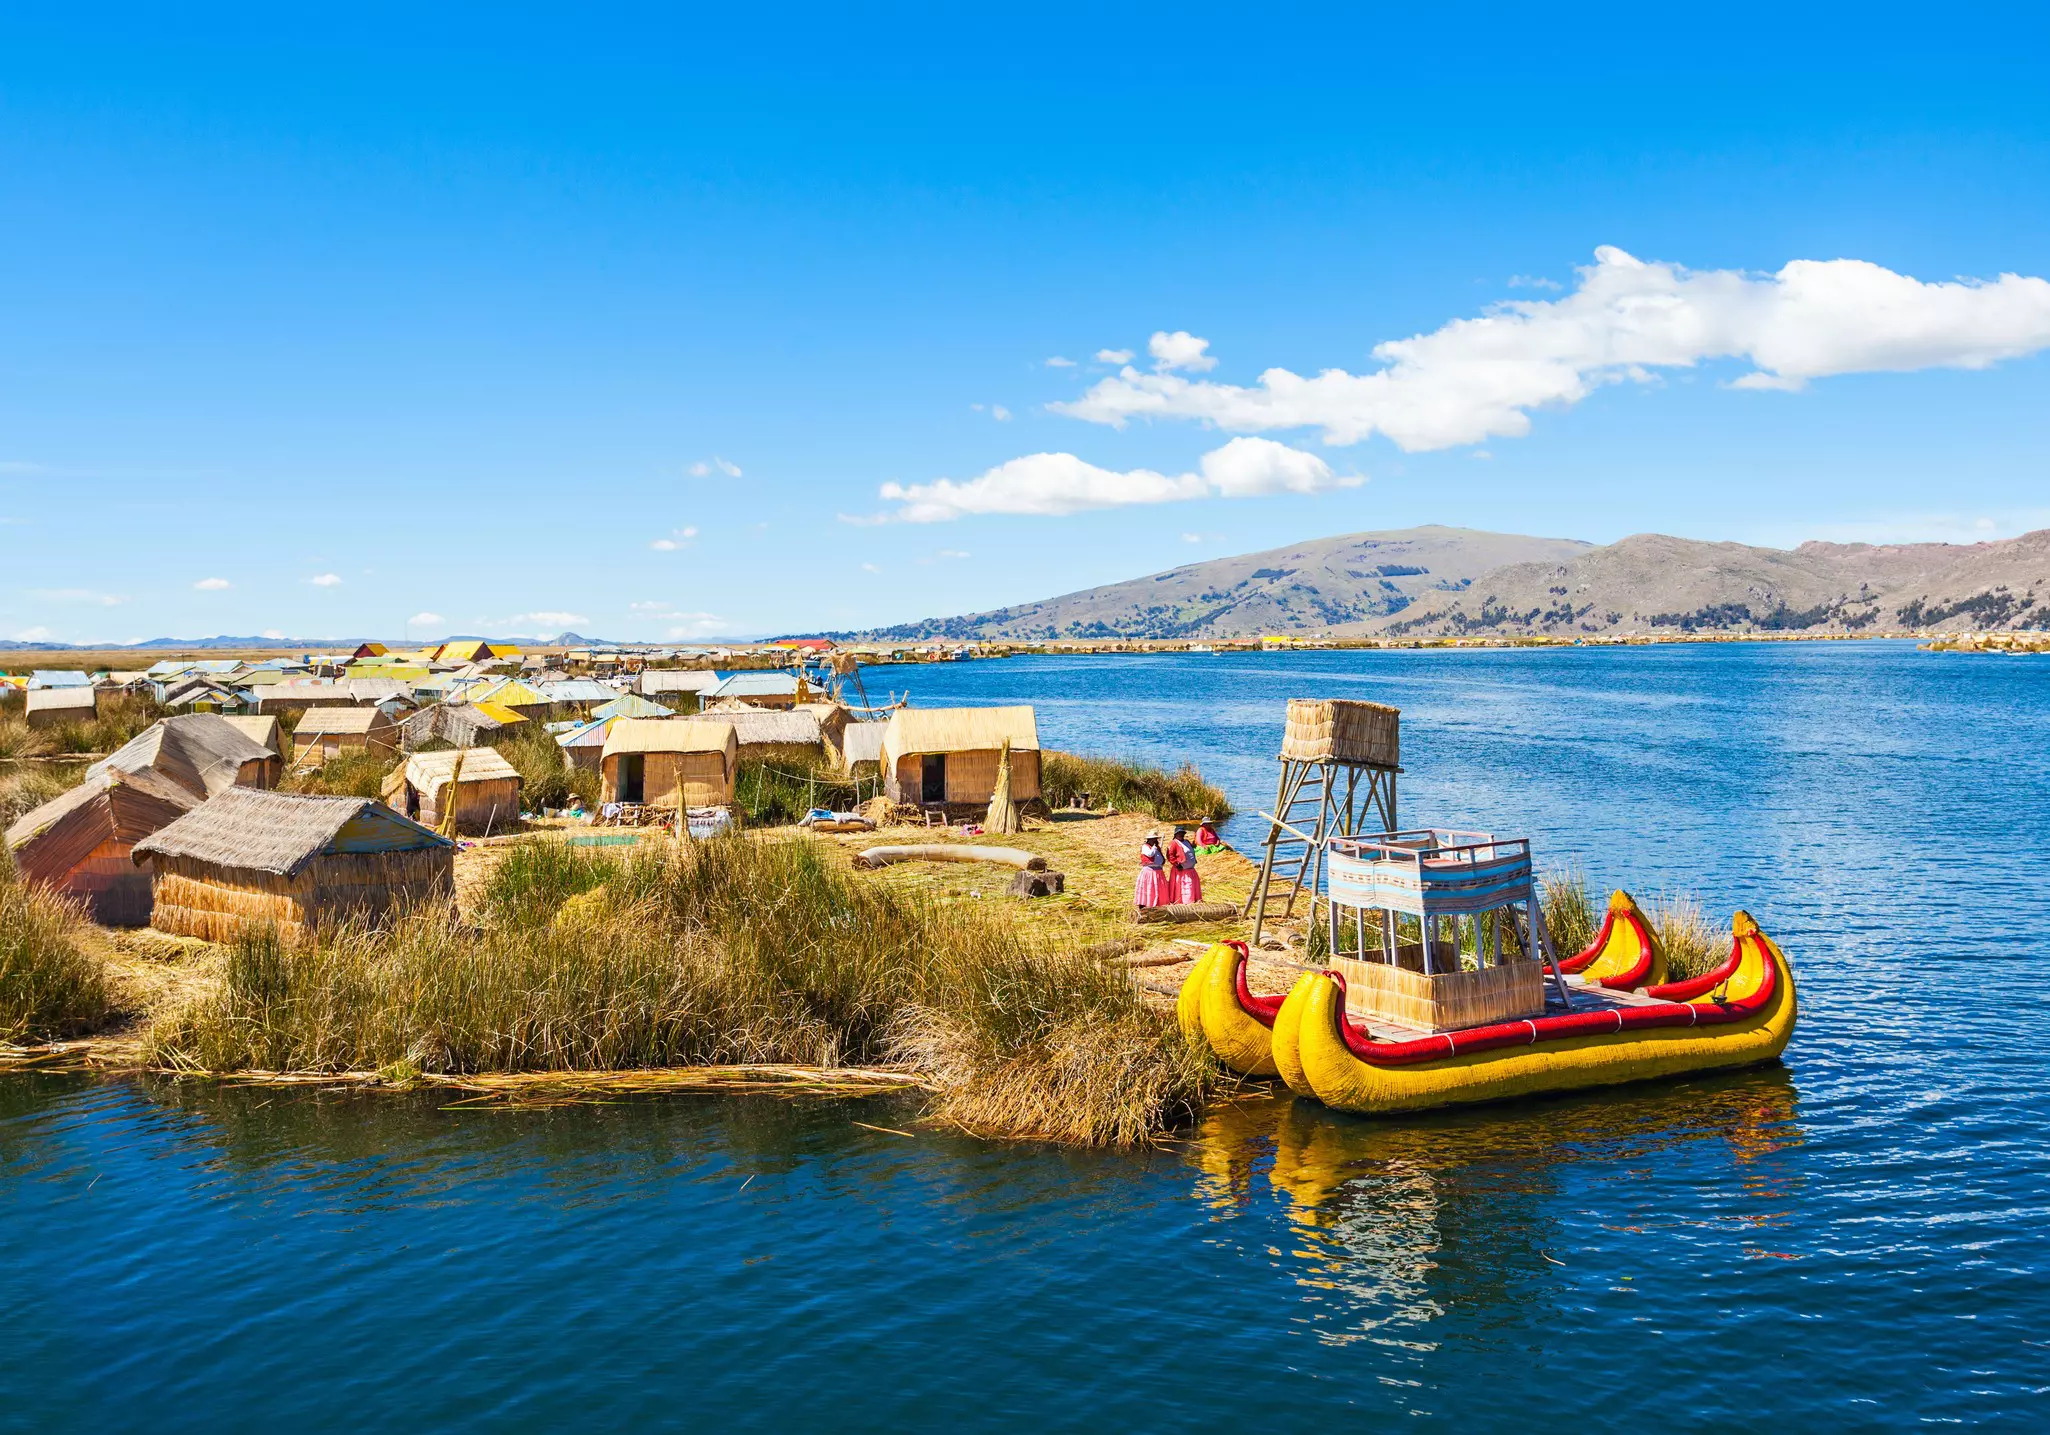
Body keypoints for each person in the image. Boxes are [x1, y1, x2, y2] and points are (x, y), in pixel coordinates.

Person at [1167, 826, 1202, 904]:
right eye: (1179, 833)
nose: (1181, 835)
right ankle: (1185, 901)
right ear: (1175, 834)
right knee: (1185, 886)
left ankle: (1193, 899)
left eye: (1182, 833)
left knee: (1191, 886)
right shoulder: (1174, 843)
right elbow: (1170, 855)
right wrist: (1176, 864)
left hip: (1190, 869)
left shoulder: (1186, 841)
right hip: (1182, 870)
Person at [1135, 833, 1169, 908]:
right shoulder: (1145, 847)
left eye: (1156, 839)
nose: (1155, 840)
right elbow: (1150, 854)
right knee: (1149, 889)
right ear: (1149, 840)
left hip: (1158, 872)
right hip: (1149, 872)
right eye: (1153, 839)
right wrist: (1154, 847)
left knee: (1158, 889)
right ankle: (1147, 904)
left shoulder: (1157, 847)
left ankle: (1159, 903)